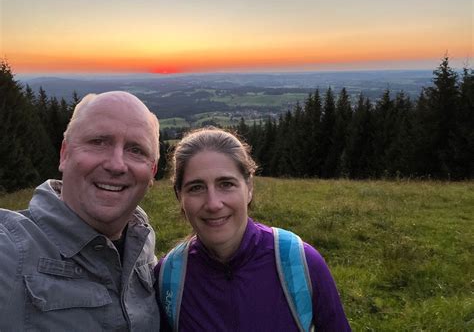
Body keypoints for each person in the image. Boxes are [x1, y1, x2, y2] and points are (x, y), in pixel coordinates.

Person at [154, 127, 351, 331]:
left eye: (226, 184)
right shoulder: (167, 279)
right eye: (196, 187)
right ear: (180, 197)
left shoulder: (302, 263)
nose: (213, 204)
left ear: (249, 188)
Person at [0, 91, 161, 330]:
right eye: (98, 142)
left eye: (136, 150)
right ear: (65, 154)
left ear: (152, 171)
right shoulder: (10, 250)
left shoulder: (143, 244)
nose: (116, 164)